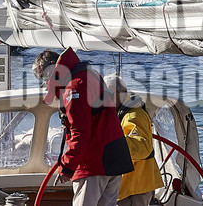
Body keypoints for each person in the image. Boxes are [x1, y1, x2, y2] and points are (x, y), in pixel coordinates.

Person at [33, 47, 133, 206]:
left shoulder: (75, 87)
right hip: (114, 160)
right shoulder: (90, 75)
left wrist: (66, 166)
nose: (45, 83)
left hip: (94, 164)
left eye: (44, 77)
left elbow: (80, 133)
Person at [110, 76, 161, 206]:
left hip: (136, 187)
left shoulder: (134, 115)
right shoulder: (122, 113)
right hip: (130, 185)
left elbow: (143, 148)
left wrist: (114, 141)